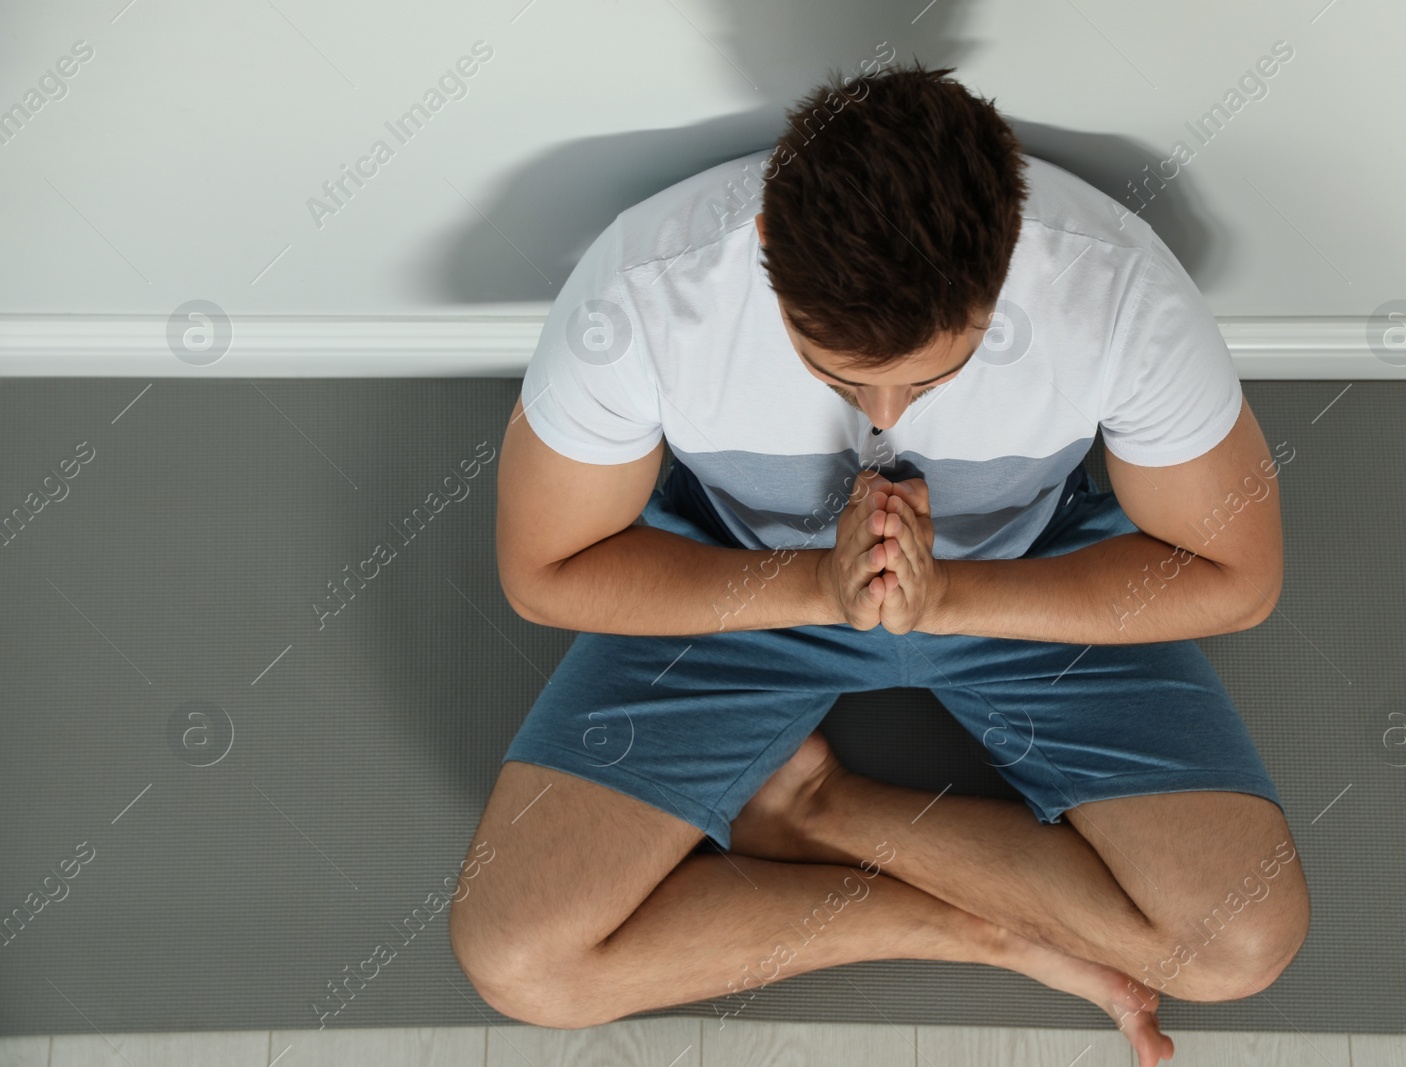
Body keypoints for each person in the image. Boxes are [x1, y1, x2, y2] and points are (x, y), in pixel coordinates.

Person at [451, 59, 1308, 1067]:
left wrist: (952, 595)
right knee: (520, 960)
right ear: (768, 245)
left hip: (1018, 573)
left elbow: (1236, 573)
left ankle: (817, 805)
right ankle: (978, 928)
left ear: (1008, 255)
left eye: (934, 373)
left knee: (1240, 943)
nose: (886, 418)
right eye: (840, 373)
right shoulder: (646, 286)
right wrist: (816, 586)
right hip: (745, 575)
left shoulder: (1116, 286)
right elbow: (544, 568)